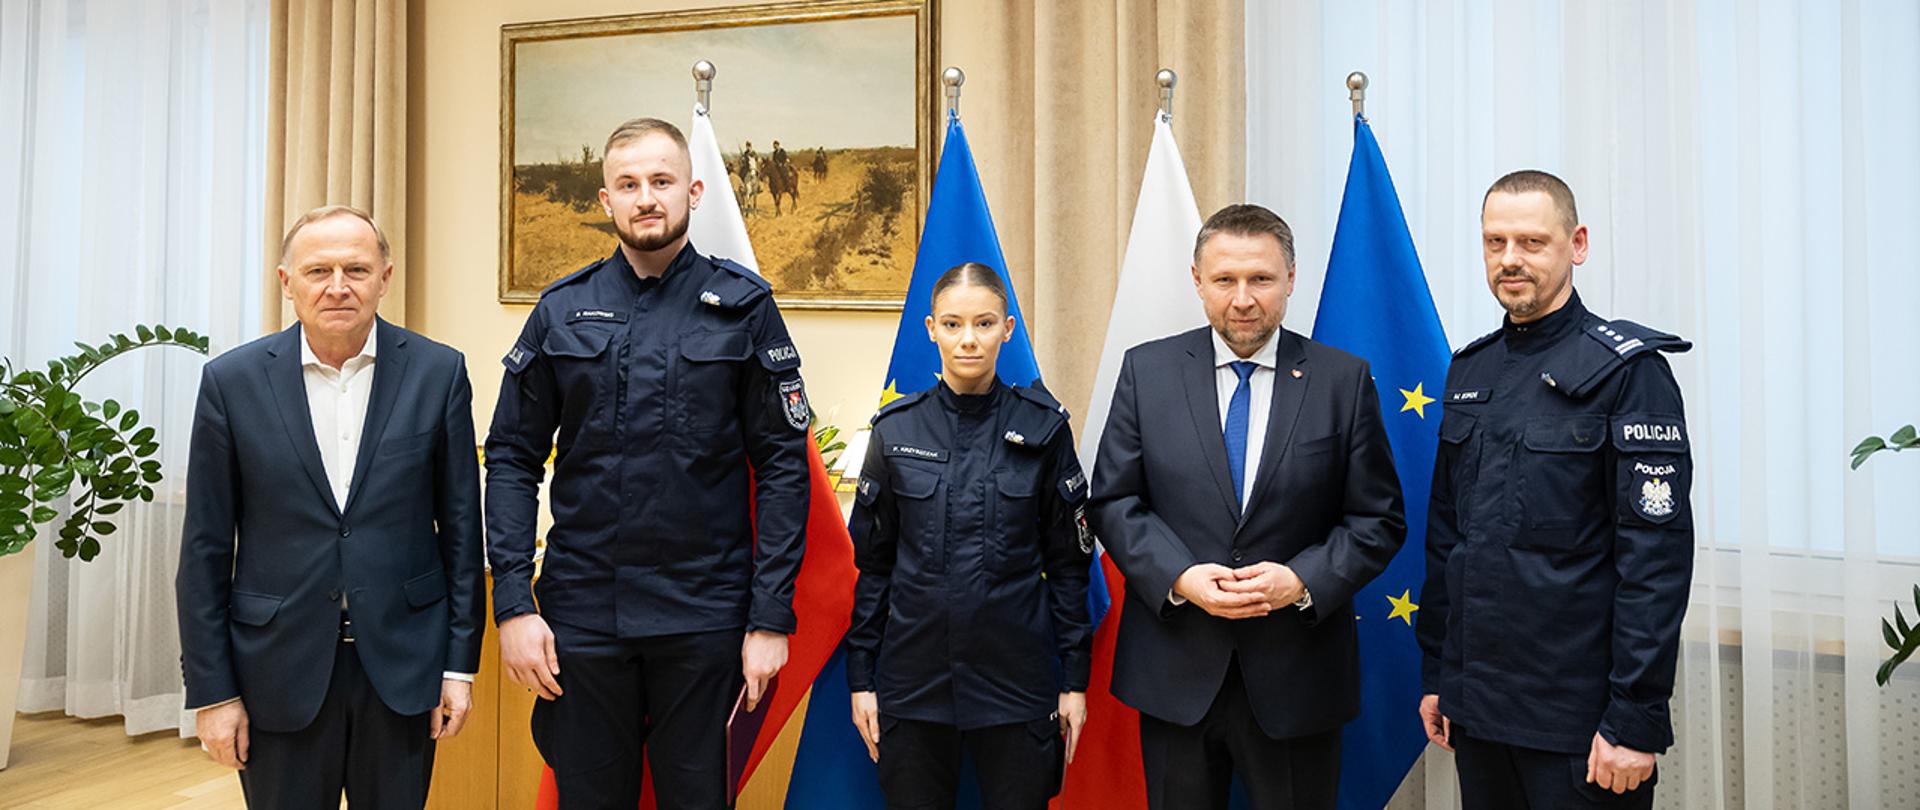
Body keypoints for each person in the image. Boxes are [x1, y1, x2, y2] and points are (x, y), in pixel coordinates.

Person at [485, 117, 811, 808]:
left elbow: (782, 466)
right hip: (582, 615)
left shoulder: (745, 307)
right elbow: (512, 457)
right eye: (628, 185)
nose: (646, 198)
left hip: (705, 616)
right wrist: (514, 604)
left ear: (692, 191)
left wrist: (769, 618)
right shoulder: (561, 310)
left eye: (661, 181)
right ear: (605, 201)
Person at [1087, 203, 1406, 810]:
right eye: (1225, 279)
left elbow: (1378, 519)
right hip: (1176, 670)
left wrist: (1302, 580)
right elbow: (1114, 500)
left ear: (1290, 279)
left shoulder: (1343, 380)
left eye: (1260, 279)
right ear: (1197, 281)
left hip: (1299, 675)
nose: (1242, 299)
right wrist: (1179, 576)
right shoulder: (1146, 371)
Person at [176, 205, 486, 809]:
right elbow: (205, 548)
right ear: (287, 282)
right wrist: (213, 694)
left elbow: (460, 534)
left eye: (356, 269)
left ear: (385, 278)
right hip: (276, 670)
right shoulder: (231, 382)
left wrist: (458, 668)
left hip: (402, 668)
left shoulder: (438, 372)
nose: (338, 287)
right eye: (319, 271)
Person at [1416, 170, 1693, 809]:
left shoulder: (1628, 374)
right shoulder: (1469, 368)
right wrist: (1439, 675)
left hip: (1580, 724)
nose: (1510, 260)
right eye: (1495, 242)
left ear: (1578, 244)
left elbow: (1656, 561)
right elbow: (1448, 541)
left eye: (1532, 242)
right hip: (1479, 710)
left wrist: (1635, 717)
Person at [846, 263, 1093, 810]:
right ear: (930, 328)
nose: (968, 340)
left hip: (1016, 686)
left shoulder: (1044, 429)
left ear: (1007, 329)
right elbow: (874, 569)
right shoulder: (895, 431)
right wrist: (862, 678)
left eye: (983, 324)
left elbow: (1071, 569)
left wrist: (1074, 682)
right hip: (914, 685)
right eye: (954, 325)